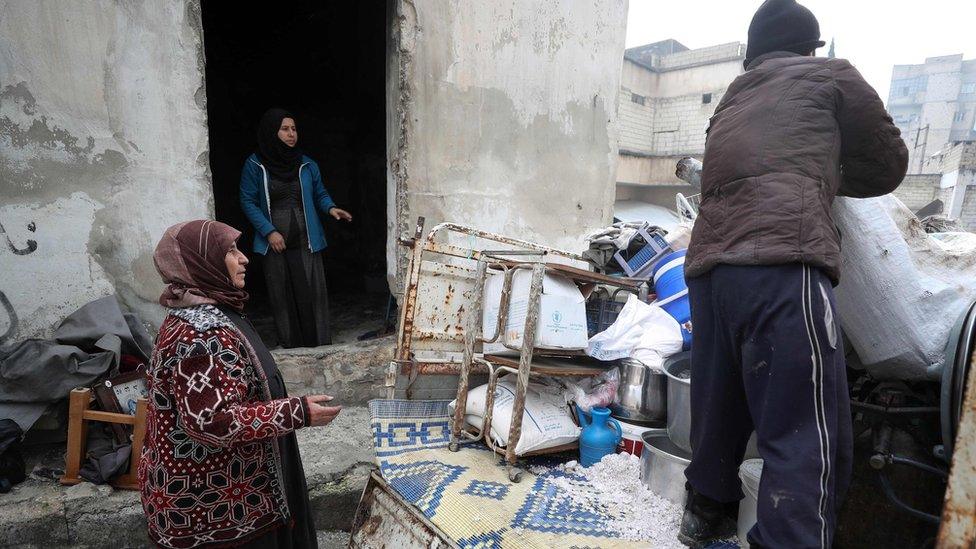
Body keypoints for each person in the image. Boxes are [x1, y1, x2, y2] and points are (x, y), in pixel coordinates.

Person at [677, 1, 908, 547]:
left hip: (709, 274)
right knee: (807, 431)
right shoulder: (831, 73)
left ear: (753, 55)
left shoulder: (734, 97)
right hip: (782, 262)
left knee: (719, 403)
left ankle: (704, 512)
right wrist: (824, 175)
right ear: (810, 46)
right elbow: (890, 163)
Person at [139, 220, 343, 548]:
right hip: (215, 505)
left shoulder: (202, 314)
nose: (244, 258)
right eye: (231, 251)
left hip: (224, 496)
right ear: (201, 261)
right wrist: (295, 413)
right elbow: (212, 422)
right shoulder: (202, 335)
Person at [240, 108, 352, 348]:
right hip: (274, 241)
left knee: (312, 289)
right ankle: (290, 342)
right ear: (272, 131)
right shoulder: (254, 164)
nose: (292, 134)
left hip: (305, 238)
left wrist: (331, 208)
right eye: (285, 129)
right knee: (281, 291)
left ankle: (317, 342)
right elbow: (247, 201)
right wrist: (269, 231)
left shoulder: (307, 164)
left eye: (294, 129)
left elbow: (319, 193)